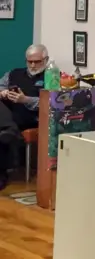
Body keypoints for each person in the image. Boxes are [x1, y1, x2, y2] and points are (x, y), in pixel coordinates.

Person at [0, 44, 49, 188]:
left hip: (32, 118)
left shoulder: (52, 76)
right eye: (30, 61)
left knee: (3, 132)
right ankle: (9, 129)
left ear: (46, 60)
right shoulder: (14, 73)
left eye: (37, 62)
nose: (33, 65)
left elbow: (51, 103)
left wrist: (25, 100)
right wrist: (3, 93)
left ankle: (1, 175)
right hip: (9, 114)